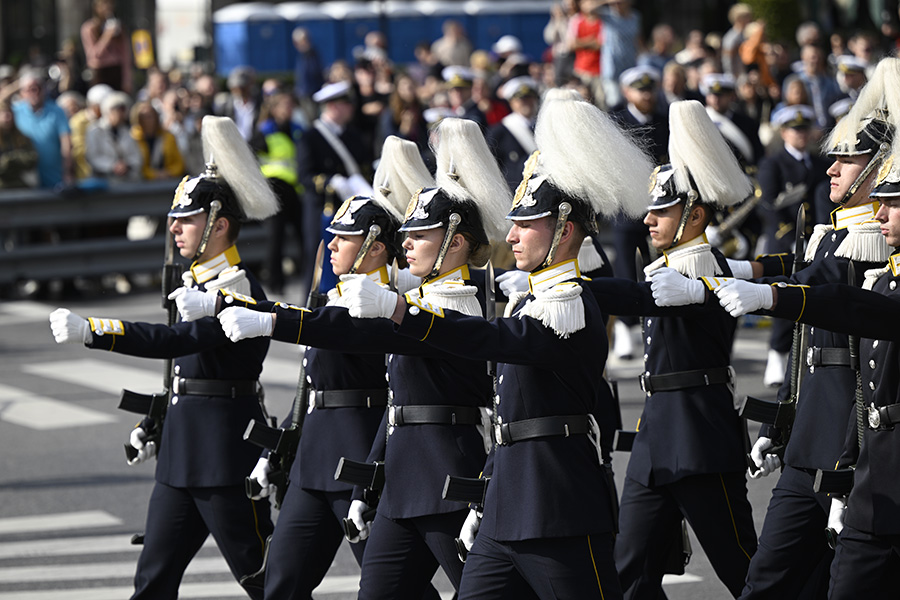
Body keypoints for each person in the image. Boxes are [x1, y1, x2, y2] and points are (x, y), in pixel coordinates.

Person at [334, 91, 654, 600]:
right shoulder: (535, 298)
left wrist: (400, 310)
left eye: (528, 225)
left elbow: (491, 340)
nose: (515, 233)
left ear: (565, 231)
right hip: (506, 503)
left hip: (557, 505)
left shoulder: (567, 301)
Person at [217, 118, 512, 599]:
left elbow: (351, 333)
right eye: (407, 234)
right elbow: (358, 397)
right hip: (394, 473)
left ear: (455, 243)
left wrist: (271, 318)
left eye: (418, 236)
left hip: (445, 471)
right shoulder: (403, 304)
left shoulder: (449, 304)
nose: (407, 244)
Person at [651, 57, 900, 600]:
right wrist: (780, 424)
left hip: (846, 444)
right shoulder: (836, 232)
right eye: (832, 155)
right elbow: (803, 341)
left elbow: (824, 290)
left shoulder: (873, 241)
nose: (831, 167)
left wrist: (751, 290)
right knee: (773, 580)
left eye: (848, 157)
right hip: (808, 435)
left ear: (880, 165)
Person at [48, 116, 278, 599]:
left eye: (186, 219)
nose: (174, 227)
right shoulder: (194, 279)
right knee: (152, 581)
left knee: (265, 582)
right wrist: (155, 421)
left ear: (219, 225)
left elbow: (171, 343)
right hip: (179, 455)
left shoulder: (236, 288)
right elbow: (182, 373)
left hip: (224, 456)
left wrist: (94, 331)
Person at [711, 157, 900, 600]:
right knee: (774, 579)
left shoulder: (865, 257)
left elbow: (841, 305)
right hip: (833, 453)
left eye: (893, 203)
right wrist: (776, 424)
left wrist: (767, 292)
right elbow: (807, 356)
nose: (879, 212)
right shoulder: (861, 260)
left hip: (858, 466)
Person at [615, 100, 757, 599]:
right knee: (629, 572)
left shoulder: (707, 267)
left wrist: (573, 285)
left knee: (744, 570)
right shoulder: (671, 265)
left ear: (694, 216)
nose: (649, 221)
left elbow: (633, 296)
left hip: (700, 435)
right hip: (655, 435)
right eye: (650, 211)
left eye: (663, 211)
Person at [756, 104, 830, 386]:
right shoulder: (773, 164)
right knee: (784, 296)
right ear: (783, 132)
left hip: (816, 240)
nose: (800, 135)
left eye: (804, 129)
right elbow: (769, 206)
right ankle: (776, 354)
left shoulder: (820, 164)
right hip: (786, 241)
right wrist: (791, 237)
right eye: (794, 130)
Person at [607, 65, 668, 359]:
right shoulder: (616, 122)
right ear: (626, 92)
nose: (646, 95)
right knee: (626, 267)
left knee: (661, 264)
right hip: (628, 205)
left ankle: (655, 321)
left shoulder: (664, 121)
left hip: (660, 203)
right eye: (639, 90)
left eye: (649, 89)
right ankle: (625, 326)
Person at [298, 80, 373, 289]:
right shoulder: (310, 136)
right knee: (318, 263)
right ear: (332, 106)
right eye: (346, 103)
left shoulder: (353, 135)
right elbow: (304, 176)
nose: (351, 108)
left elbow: (364, 166)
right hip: (322, 209)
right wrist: (331, 181)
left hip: (351, 210)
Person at [252, 92, 305, 296]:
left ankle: (307, 278)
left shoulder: (297, 129)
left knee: (304, 238)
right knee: (276, 239)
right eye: (284, 105)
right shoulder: (265, 131)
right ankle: (275, 283)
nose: (289, 110)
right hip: (274, 189)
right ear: (274, 109)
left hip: (294, 190)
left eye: (291, 105)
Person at [11, 69, 72, 188]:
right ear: (22, 92)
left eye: (37, 87)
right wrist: (18, 84)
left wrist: (68, 172)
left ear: (44, 89)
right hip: (25, 180)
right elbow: (1, 100)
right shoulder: (15, 111)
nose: (34, 92)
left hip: (54, 177)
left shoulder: (57, 111)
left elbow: (66, 145)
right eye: (29, 89)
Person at [486, 76, 539, 192]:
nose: (526, 103)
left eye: (529, 98)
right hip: (515, 191)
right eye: (520, 99)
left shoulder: (542, 126)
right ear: (511, 102)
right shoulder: (500, 131)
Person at [85, 91, 143, 181]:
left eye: (123, 110)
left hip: (126, 180)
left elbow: (136, 155)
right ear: (108, 111)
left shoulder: (127, 132)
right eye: (117, 110)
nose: (121, 114)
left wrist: (126, 165)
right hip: (102, 181)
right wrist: (112, 166)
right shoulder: (95, 130)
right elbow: (93, 156)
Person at [598, 0, 643, 110]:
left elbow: (638, 39)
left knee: (630, 101)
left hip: (629, 65)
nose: (617, 5)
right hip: (612, 67)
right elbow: (587, 8)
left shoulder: (635, 17)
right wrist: (607, 1)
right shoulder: (607, 15)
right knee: (615, 102)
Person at [80, 0, 131, 93]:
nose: (107, 7)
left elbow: (125, 55)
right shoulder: (89, 28)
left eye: (110, 4)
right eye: (104, 4)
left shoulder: (118, 27)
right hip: (100, 72)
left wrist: (127, 79)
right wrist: (107, 36)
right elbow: (94, 55)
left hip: (116, 71)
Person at [130, 100, 185, 181]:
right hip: (142, 182)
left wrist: (169, 172)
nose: (147, 120)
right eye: (143, 117)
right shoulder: (133, 138)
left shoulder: (168, 137)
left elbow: (179, 164)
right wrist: (153, 175)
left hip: (168, 180)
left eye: (150, 116)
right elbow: (137, 165)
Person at [70, 83, 112, 180]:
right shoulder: (78, 122)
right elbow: (79, 151)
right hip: (86, 176)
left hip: (108, 174)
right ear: (95, 106)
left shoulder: (107, 121)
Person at [0, 98, 38, 188]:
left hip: (19, 184)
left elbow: (32, 158)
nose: (7, 117)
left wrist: (10, 159)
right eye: (3, 113)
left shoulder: (21, 137)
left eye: (9, 113)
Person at [291, 27, 324, 122]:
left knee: (313, 119)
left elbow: (315, 72)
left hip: (312, 93)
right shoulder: (302, 56)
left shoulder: (312, 54)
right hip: (304, 94)